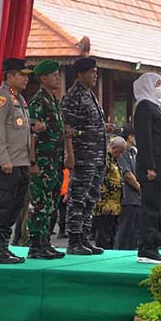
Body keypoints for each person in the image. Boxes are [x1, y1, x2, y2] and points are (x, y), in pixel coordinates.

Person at [0, 58, 39, 264]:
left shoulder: (19, 98)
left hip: (21, 162)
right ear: (9, 76)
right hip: (5, 163)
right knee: (2, 207)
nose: (26, 79)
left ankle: (4, 247)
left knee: (15, 208)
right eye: (22, 75)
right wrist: (5, 159)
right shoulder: (1, 97)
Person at [61, 57, 114, 255]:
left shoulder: (90, 94)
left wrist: (103, 127)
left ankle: (84, 238)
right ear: (80, 74)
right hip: (82, 156)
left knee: (91, 198)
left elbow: (86, 124)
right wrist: (70, 154)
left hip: (97, 156)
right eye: (92, 72)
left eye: (96, 72)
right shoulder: (73, 95)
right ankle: (74, 240)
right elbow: (67, 128)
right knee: (78, 198)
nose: (95, 75)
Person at [27, 59, 67, 259]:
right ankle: (35, 244)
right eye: (54, 75)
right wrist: (33, 162)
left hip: (55, 162)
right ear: (43, 78)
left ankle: (45, 242)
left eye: (58, 74)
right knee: (39, 203)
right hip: (42, 162)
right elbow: (32, 135)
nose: (58, 77)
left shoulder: (54, 100)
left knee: (50, 204)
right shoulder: (37, 102)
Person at [133, 73, 161, 263]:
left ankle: (155, 245)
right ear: (148, 85)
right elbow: (145, 139)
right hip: (153, 168)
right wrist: (150, 166)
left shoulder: (156, 107)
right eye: (158, 84)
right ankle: (146, 248)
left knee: (158, 207)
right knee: (150, 208)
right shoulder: (144, 106)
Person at [92, 137, 124, 250]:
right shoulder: (104, 160)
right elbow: (102, 182)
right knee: (104, 235)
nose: (120, 154)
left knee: (112, 234)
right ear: (113, 148)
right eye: (119, 151)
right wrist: (104, 202)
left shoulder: (114, 160)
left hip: (114, 204)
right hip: (105, 204)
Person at [114, 125, 141, 250]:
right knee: (125, 230)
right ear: (130, 137)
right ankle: (120, 253)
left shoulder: (133, 151)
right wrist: (140, 188)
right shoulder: (123, 151)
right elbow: (127, 174)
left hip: (135, 198)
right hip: (127, 197)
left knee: (133, 231)